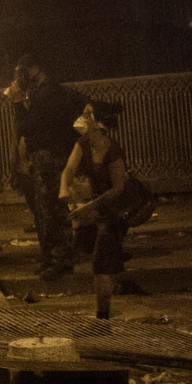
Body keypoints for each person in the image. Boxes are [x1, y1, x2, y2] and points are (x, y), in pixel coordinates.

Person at [7, 55, 85, 279]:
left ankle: (61, 261)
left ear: (34, 70)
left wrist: (17, 103)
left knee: (54, 212)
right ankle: (51, 259)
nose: (17, 78)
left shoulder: (48, 94)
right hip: (44, 160)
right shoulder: (41, 94)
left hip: (51, 160)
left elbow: (27, 128)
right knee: (45, 213)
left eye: (20, 72)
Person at [58, 108, 130, 319]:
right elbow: (69, 170)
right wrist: (64, 188)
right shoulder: (83, 144)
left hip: (114, 210)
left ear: (100, 131)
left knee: (100, 263)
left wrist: (88, 207)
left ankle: (102, 316)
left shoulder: (113, 151)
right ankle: (112, 283)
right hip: (94, 207)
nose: (85, 137)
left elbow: (118, 190)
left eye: (89, 132)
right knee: (98, 258)